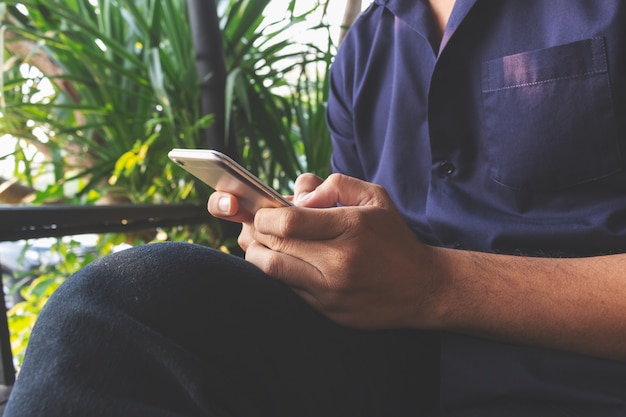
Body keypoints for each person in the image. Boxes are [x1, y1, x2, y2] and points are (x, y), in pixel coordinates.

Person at [5, 0, 626, 415]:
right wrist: (317, 249)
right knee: (126, 309)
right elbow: (381, 252)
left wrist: (433, 283)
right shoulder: (366, 48)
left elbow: (416, 280)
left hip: (578, 381)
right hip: (395, 370)